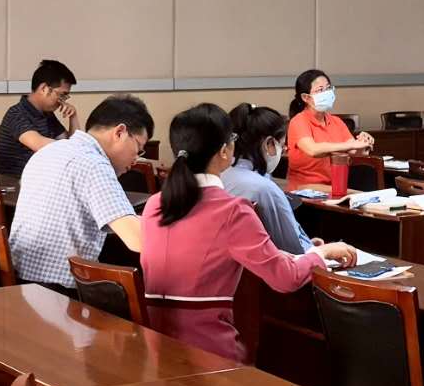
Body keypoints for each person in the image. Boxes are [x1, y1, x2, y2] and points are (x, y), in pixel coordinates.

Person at [140, 104, 356, 362]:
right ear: (224, 151)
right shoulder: (232, 210)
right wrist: (321, 253)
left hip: (157, 349)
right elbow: (285, 278)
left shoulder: (154, 204)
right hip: (210, 353)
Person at [7, 94, 155, 296]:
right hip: (58, 294)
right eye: (138, 148)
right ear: (120, 132)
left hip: (19, 282)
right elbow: (137, 239)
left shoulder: (49, 151)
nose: (136, 158)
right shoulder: (93, 164)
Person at [224, 103, 313, 254]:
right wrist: (316, 249)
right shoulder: (264, 188)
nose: (283, 150)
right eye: (282, 146)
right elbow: (295, 249)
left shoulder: (218, 174)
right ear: (269, 144)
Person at [285, 69, 374, 191]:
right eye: (320, 90)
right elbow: (313, 150)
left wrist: (363, 143)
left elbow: (354, 151)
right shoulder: (298, 121)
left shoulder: (336, 121)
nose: (326, 93)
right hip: (304, 188)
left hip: (332, 186)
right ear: (306, 97)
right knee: (358, 195)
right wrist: (351, 144)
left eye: (328, 88)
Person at [0, 58, 78, 177]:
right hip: (18, 182)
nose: (62, 102)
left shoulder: (47, 114)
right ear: (44, 89)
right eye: (61, 95)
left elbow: (71, 142)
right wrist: (78, 148)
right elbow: (40, 145)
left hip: (42, 178)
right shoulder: (16, 114)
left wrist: (73, 117)